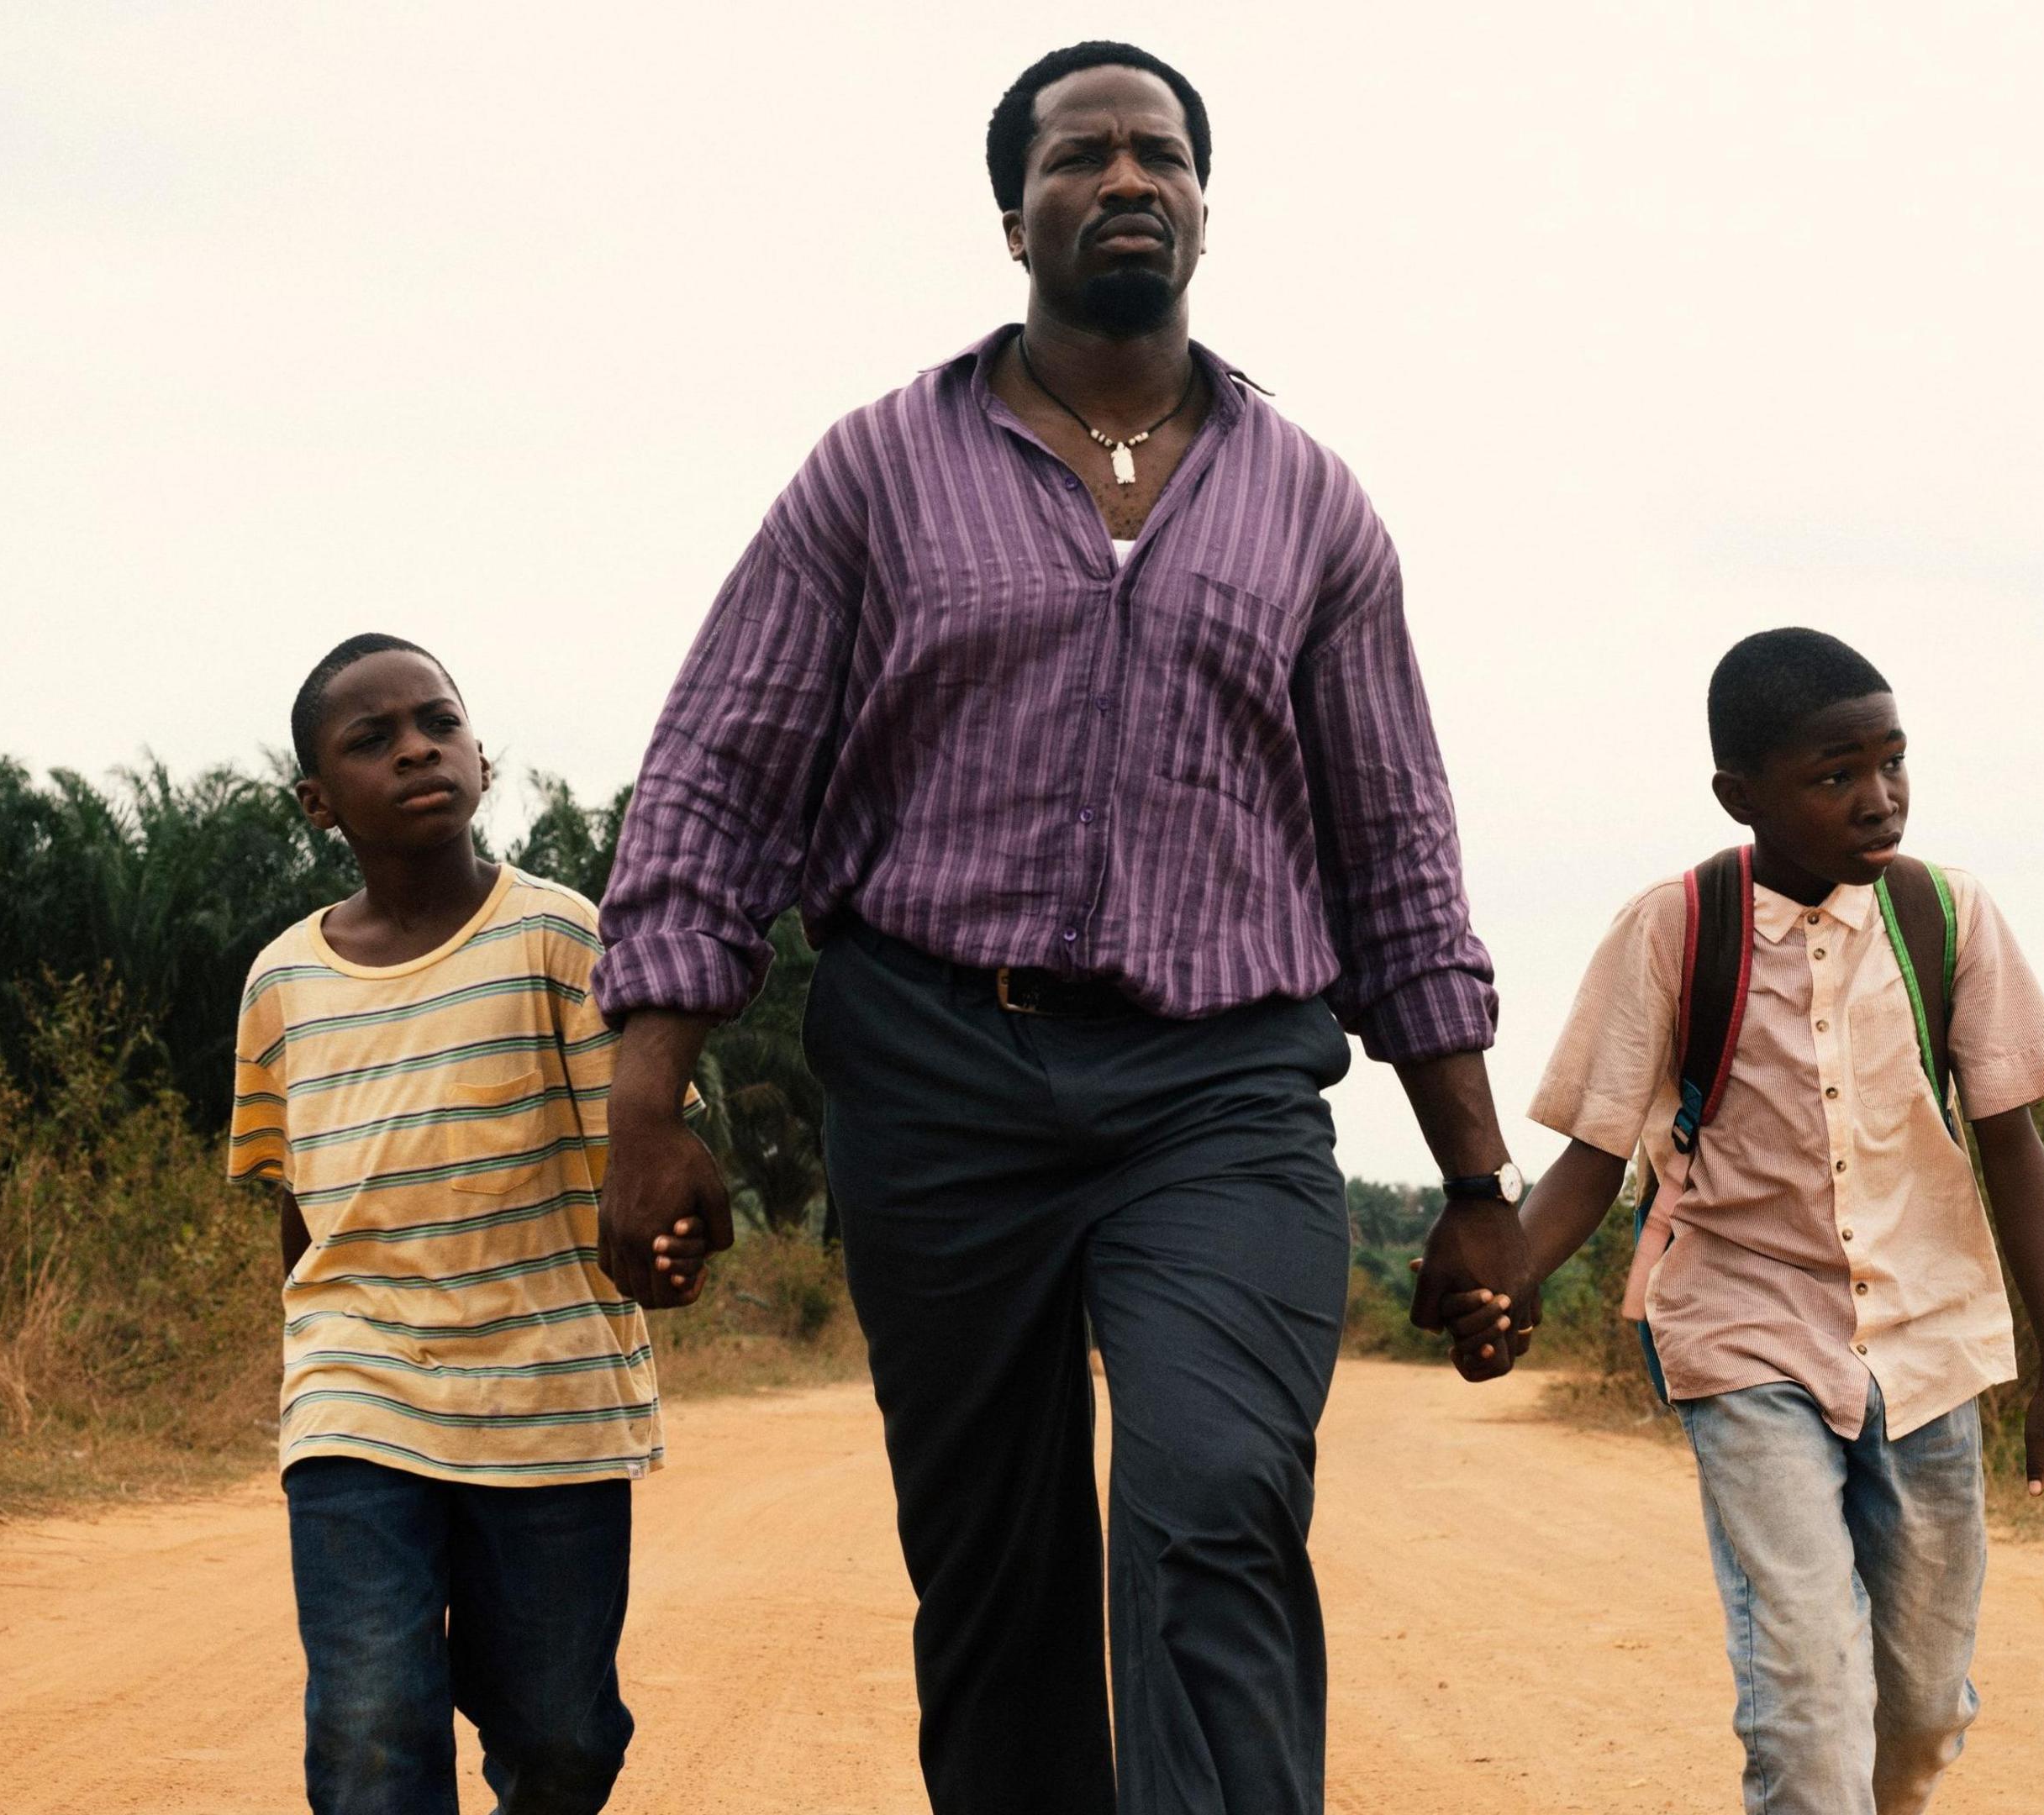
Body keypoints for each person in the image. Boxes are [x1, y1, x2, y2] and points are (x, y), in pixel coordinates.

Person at [590, 40, 1530, 1815]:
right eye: (1084, 153)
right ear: (1011, 210)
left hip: (1222, 1088)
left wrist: (1476, 1188)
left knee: (1218, 1507)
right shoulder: (873, 473)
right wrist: (648, 1107)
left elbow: (1397, 856)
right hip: (938, 1074)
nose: (1126, 179)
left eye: (1160, 153)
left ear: (1204, 203)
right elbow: (721, 775)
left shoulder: (1314, 507)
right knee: (997, 1575)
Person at [1456, 629, 2044, 1815]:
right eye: (1835, 774)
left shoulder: (1945, 918)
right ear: (1740, 797)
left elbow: (2013, 1140)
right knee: (1806, 1695)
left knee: (1916, 1716)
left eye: (1893, 763)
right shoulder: (1673, 929)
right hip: (1743, 1333)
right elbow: (1595, 1157)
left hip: (1927, 1343)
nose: (1878, 798)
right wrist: (1515, 1279)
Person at [229, 634, 664, 1815]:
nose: (417, 747)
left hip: (550, 1395)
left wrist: (663, 1236)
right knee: (371, 1721)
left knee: (562, 1736)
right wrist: (310, 1361)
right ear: (319, 802)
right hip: (357, 1388)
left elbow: (636, 1158)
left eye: (439, 722)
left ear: (480, 754)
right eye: (373, 740)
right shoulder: (284, 983)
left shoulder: (559, 937)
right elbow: (298, 1201)